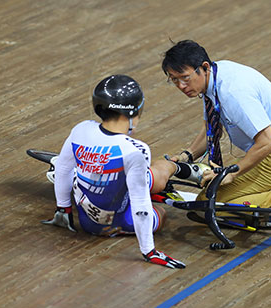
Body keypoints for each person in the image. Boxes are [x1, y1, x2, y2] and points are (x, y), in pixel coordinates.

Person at [160, 39, 271, 228]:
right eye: (174, 80)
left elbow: (267, 143)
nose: (181, 86)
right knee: (211, 191)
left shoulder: (232, 93)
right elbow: (211, 129)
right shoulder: (216, 74)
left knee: (206, 205)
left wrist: (232, 174)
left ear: (203, 67)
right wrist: (186, 155)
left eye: (185, 78)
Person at [42, 75, 185, 269]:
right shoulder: (136, 149)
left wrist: (63, 209)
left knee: (122, 178)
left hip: (88, 224)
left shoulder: (80, 129)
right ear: (135, 111)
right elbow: (140, 202)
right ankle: (178, 166)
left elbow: (63, 167)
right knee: (159, 195)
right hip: (124, 221)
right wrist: (149, 251)